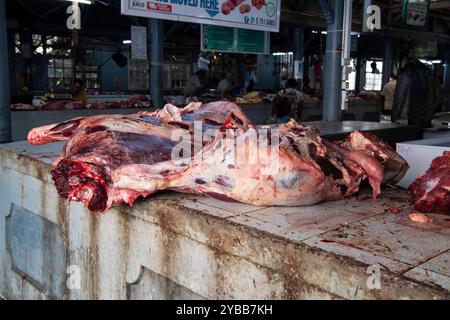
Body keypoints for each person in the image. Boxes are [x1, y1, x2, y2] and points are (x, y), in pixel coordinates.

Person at [392, 56, 435, 128]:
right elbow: (432, 96)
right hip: (422, 113)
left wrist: (395, 115)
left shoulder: (404, 73)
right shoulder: (427, 72)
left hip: (406, 115)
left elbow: (399, 96)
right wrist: (429, 114)